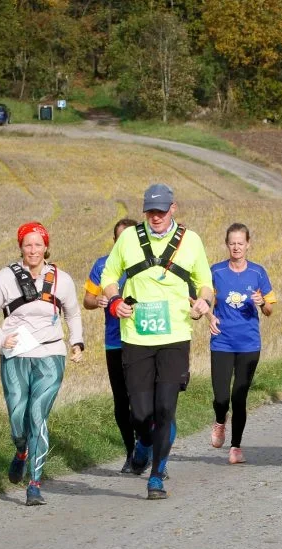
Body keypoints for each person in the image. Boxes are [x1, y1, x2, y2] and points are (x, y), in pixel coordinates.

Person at [100, 184, 213, 500]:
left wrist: (203, 303)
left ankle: (156, 477)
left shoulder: (191, 241)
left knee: (165, 408)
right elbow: (108, 278)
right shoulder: (128, 239)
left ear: (173, 208)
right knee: (140, 413)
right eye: (151, 211)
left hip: (175, 335)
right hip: (136, 336)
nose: (156, 217)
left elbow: (205, 284)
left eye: (161, 211)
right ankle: (144, 443)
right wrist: (115, 300)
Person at [0, 222, 85, 505]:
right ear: (20, 248)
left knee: (37, 414)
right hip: (15, 354)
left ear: (46, 247)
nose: (33, 250)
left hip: (51, 355)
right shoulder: (5, 277)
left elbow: (73, 314)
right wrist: (1, 338)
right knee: (17, 417)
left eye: (38, 244)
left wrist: (77, 342)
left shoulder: (62, 279)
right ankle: (21, 450)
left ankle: (35, 484)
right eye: (28, 245)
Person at [208, 224, 276, 463]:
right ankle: (219, 420)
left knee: (239, 397)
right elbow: (202, 300)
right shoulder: (215, 271)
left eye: (240, 243)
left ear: (248, 244)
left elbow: (269, 310)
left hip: (249, 344)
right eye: (232, 243)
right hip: (222, 342)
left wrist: (261, 302)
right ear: (227, 245)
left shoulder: (257, 273)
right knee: (221, 398)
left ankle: (236, 447)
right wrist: (209, 316)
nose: (236, 247)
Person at [84, 218, 141, 474]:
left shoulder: (147, 263)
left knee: (141, 401)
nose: (125, 242)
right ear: (114, 241)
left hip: (142, 339)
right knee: (121, 401)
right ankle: (131, 452)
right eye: (120, 238)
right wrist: (99, 302)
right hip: (114, 341)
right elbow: (87, 299)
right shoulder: (102, 264)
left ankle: (148, 450)